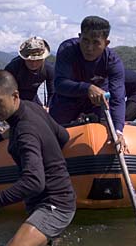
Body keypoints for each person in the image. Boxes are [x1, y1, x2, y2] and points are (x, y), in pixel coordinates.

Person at [0, 70, 76, 246]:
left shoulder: (25, 131)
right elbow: (63, 136)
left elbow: (34, 182)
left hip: (53, 204)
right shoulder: (31, 109)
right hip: (53, 198)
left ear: (15, 96)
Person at [49, 15, 126, 151]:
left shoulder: (112, 61)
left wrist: (118, 130)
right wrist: (87, 88)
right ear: (79, 37)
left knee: (107, 128)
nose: (89, 48)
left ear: (106, 43)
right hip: (67, 100)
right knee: (54, 139)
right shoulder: (67, 50)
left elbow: (118, 98)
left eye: (96, 43)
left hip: (96, 103)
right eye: (85, 40)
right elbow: (59, 84)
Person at [4, 36, 54, 107]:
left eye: (38, 60)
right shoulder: (13, 68)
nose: (34, 64)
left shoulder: (49, 69)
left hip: (33, 97)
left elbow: (52, 93)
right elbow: (4, 91)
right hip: (14, 99)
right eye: (30, 60)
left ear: (43, 59)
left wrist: (49, 107)